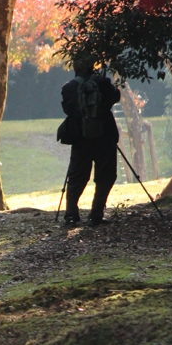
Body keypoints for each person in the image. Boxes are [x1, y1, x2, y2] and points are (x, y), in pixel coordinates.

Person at [58, 54, 120, 226]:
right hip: (105, 137)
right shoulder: (103, 83)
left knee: (77, 176)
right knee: (106, 176)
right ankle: (96, 214)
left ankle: (71, 214)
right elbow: (114, 98)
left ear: (75, 67)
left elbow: (67, 109)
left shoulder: (68, 88)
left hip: (80, 138)